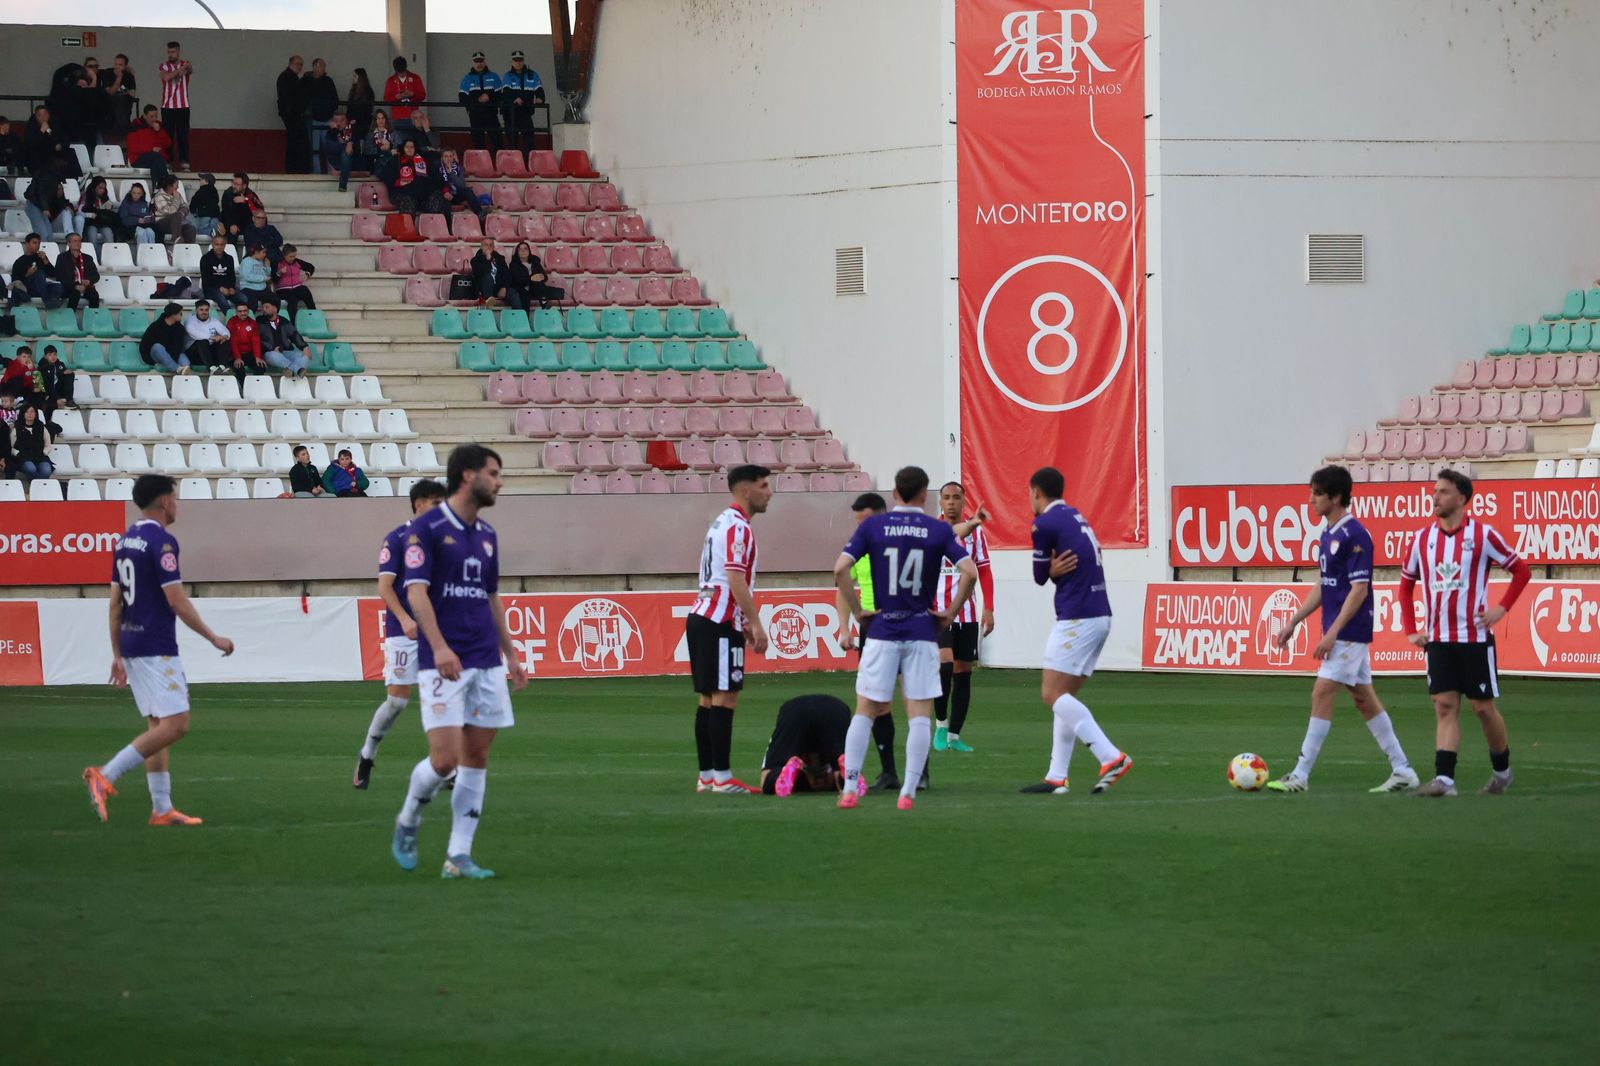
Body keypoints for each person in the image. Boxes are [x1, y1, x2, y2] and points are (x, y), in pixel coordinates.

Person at [390, 444, 529, 880]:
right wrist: (441, 646)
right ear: (468, 475)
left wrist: (511, 653)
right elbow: (415, 593)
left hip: (486, 659)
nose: (500, 481)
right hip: (443, 660)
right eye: (494, 472)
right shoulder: (427, 529)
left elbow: (491, 597)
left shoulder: (487, 534)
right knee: (445, 758)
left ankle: (458, 856)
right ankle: (409, 817)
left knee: (476, 757)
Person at [82, 474, 235, 826]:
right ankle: (104, 773)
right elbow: (176, 600)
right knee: (177, 724)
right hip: (155, 644)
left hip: (132, 643)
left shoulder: (124, 541)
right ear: (165, 501)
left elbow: (115, 604)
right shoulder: (162, 542)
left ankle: (162, 808)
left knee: (157, 725)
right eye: (175, 498)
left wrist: (117, 653)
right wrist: (214, 638)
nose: (177, 504)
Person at [1265, 466, 1418, 793]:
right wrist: (1294, 620)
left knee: (1322, 692)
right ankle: (1403, 769)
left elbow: (1359, 590)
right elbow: (1325, 585)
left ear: (1336, 497)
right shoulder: (1328, 535)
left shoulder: (1356, 535)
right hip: (1341, 629)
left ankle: (1301, 774)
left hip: (1351, 629)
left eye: (1317, 494)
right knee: (1364, 699)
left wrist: (1332, 632)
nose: (1311, 500)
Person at [833, 466, 977, 811]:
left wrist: (857, 613)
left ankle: (850, 788)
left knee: (865, 710)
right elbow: (969, 572)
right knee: (919, 715)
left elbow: (840, 570)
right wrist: (951, 612)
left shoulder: (873, 527)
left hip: (881, 631)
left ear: (894, 494)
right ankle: (909, 791)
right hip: (921, 633)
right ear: (925, 495)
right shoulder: (937, 529)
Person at [1400, 470, 1533, 797]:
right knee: (1444, 706)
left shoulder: (1483, 535)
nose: (1435, 497)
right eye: (1434, 491)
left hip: (1474, 639)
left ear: (1461, 497)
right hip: (1439, 640)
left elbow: (1521, 571)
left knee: (1483, 708)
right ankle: (1444, 780)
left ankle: (1502, 772)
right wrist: (1410, 630)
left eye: (1443, 492)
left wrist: (1502, 608)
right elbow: (1405, 588)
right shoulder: (1421, 539)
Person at [1019, 465, 1133, 796]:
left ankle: (1111, 756)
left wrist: (1051, 570)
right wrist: (1056, 571)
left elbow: (1040, 575)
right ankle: (1057, 776)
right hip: (1100, 614)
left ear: (1036, 492)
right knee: (1063, 697)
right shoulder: (1076, 516)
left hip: (1077, 617)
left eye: (1030, 494)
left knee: (1051, 694)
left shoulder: (1043, 523)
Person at [354, 478, 450, 789]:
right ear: (419, 503)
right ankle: (368, 754)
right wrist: (405, 619)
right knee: (397, 702)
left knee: (441, 696)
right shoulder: (397, 538)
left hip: (437, 630)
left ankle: (445, 767)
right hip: (403, 631)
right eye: (436, 503)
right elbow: (384, 586)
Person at [685, 464, 773, 795]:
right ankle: (722, 778)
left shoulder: (721, 523)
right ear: (745, 490)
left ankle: (707, 775)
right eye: (763, 486)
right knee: (725, 697)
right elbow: (735, 579)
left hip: (703, 615)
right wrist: (754, 622)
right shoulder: (739, 528)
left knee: (709, 699)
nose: (769, 492)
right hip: (718, 619)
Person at [834, 491, 903, 791]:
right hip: (872, 628)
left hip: (906, 625)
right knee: (878, 703)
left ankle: (919, 774)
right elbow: (843, 581)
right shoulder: (859, 546)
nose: (860, 528)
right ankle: (889, 773)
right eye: (858, 522)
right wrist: (844, 627)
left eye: (865, 521)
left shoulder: (901, 541)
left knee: (916, 700)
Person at [932, 481, 994, 754]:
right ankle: (941, 724)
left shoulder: (976, 535)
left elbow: (985, 571)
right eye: (947, 498)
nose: (952, 502)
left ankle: (955, 735)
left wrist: (988, 608)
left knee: (963, 672)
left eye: (956, 497)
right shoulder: (932, 532)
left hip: (967, 613)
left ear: (964, 500)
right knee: (944, 665)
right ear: (940, 502)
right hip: (939, 612)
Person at [760, 694, 854, 796]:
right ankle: (844, 772)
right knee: (843, 769)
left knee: (767, 778)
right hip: (835, 711)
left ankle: (783, 771)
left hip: (795, 711)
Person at [157, 41, 193, 170]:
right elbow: (166, 77)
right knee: (168, 135)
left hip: (183, 106)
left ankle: (184, 161)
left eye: (173, 52)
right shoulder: (164, 66)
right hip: (167, 106)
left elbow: (190, 69)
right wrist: (179, 70)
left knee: (183, 135)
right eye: (169, 52)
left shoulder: (185, 64)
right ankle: (168, 161)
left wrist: (184, 68)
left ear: (178, 52)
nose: (170, 54)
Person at [458, 51, 503, 152]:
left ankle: (500, 163)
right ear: (472, 63)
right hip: (475, 114)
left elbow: (500, 95)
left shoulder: (494, 76)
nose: (479, 63)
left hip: (491, 114)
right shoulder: (467, 79)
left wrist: (489, 97)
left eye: (481, 61)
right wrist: (477, 100)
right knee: (478, 141)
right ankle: (480, 164)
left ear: (485, 62)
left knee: (497, 140)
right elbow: (462, 98)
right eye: (476, 61)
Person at [384, 139, 441, 219]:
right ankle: (407, 229)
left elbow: (433, 175)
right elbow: (386, 176)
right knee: (407, 200)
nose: (409, 149)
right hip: (402, 192)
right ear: (403, 148)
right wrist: (398, 182)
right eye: (407, 147)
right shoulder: (395, 160)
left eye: (412, 147)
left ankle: (430, 227)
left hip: (421, 192)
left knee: (436, 195)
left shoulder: (423, 159)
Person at [256, 297, 312, 378]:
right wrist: (272, 348)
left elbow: (295, 335)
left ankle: (290, 371)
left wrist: (305, 347)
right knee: (273, 356)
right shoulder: (260, 321)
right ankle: (298, 370)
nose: (263, 309)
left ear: (275, 308)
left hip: (286, 352)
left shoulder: (284, 321)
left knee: (304, 356)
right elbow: (257, 340)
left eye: (267, 307)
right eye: (263, 307)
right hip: (270, 353)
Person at [501, 50, 544, 151]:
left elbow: (539, 89)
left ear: (523, 61)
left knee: (529, 138)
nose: (518, 62)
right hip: (511, 113)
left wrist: (540, 98)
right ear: (512, 62)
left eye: (520, 60)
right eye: (515, 60)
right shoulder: (508, 76)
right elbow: (506, 92)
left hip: (526, 112)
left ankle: (529, 161)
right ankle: (513, 163)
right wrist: (514, 99)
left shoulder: (533, 75)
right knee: (512, 139)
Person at [302, 58, 340, 171]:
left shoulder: (328, 81)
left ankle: (331, 172)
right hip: (313, 120)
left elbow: (335, 99)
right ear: (314, 67)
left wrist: (330, 112)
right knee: (314, 149)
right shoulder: (306, 82)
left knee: (329, 148)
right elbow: (303, 100)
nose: (323, 68)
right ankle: (316, 173)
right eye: (321, 66)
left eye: (324, 66)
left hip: (327, 119)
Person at [10, 234, 64, 307]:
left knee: (58, 286)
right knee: (39, 273)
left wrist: (46, 260)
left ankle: (52, 300)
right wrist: (27, 274)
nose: (37, 246)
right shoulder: (20, 261)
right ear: (27, 244)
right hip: (29, 288)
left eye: (39, 243)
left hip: (42, 287)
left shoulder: (41, 258)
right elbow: (15, 280)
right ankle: (48, 301)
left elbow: (54, 274)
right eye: (34, 243)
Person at [437, 148, 486, 228]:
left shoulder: (458, 168)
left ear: (453, 158)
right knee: (446, 205)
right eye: (446, 156)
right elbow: (438, 184)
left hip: (456, 194)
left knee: (467, 190)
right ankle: (448, 228)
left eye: (450, 156)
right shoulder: (438, 169)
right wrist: (445, 192)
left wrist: (451, 173)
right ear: (442, 158)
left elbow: (461, 185)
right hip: (444, 195)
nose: (448, 159)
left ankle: (479, 213)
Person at [508, 241, 565, 308]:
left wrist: (542, 277)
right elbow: (517, 280)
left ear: (529, 251)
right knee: (536, 283)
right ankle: (544, 302)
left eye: (525, 249)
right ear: (517, 252)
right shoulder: (514, 264)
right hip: (521, 288)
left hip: (535, 289)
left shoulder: (535, 262)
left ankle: (544, 302)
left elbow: (544, 276)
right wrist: (531, 278)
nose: (523, 251)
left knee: (537, 283)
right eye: (520, 249)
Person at [276, 56, 308, 173]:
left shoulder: (290, 77)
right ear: (290, 63)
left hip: (291, 113)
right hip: (292, 114)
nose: (299, 67)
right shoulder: (287, 78)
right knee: (297, 141)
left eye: (301, 64)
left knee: (295, 141)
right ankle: (295, 168)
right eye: (297, 64)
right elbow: (291, 98)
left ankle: (294, 168)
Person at [125, 107, 173, 184]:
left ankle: (157, 189)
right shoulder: (135, 126)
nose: (154, 119)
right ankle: (166, 184)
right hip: (138, 159)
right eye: (151, 116)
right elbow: (132, 147)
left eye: (156, 116)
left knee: (155, 164)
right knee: (156, 158)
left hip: (156, 159)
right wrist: (151, 149)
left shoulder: (158, 127)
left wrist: (159, 131)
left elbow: (168, 144)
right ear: (144, 116)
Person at [140, 302, 191, 373]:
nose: (181, 315)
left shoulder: (180, 329)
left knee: (186, 364)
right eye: (180, 313)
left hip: (172, 354)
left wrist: (172, 358)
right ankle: (177, 368)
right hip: (156, 355)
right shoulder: (155, 326)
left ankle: (179, 370)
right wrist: (149, 361)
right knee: (157, 347)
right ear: (173, 314)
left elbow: (178, 347)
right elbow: (144, 345)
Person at [24, 171, 77, 238]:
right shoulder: (48, 199)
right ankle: (70, 236)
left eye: (62, 189)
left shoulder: (61, 199)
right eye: (58, 189)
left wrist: (69, 208)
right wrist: (45, 208)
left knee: (67, 212)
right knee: (44, 233)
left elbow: (68, 204)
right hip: (49, 221)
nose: (60, 191)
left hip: (53, 224)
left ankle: (70, 234)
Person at [10, 403, 54, 484]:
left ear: (35, 414)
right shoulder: (17, 428)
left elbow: (48, 444)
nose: (30, 414)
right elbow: (11, 447)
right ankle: (37, 486)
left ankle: (36, 486)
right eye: (27, 412)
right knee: (31, 469)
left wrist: (44, 452)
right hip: (23, 457)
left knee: (46, 471)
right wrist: (18, 453)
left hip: (40, 456)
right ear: (23, 414)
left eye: (32, 412)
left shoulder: (42, 427)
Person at [226, 302, 268, 387]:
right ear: (236, 312)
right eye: (240, 311)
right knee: (239, 368)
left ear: (248, 311)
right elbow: (233, 341)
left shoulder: (252, 323)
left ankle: (255, 388)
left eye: (245, 311)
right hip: (235, 354)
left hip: (249, 354)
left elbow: (256, 341)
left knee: (260, 366)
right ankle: (246, 389)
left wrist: (257, 357)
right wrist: (237, 357)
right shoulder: (232, 322)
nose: (242, 313)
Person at [54, 233, 100, 310]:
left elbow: (96, 276)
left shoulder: (88, 258)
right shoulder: (62, 258)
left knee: (94, 295)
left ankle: (93, 319)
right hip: (70, 286)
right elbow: (59, 276)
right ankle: (70, 318)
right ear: (69, 243)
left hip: (85, 286)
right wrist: (74, 286)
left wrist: (89, 281)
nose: (78, 243)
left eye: (79, 241)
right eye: (75, 241)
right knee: (74, 294)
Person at [183, 299, 232, 370]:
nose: (204, 312)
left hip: (209, 353)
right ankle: (211, 368)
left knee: (225, 341)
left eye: (206, 310)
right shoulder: (190, 321)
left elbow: (225, 331)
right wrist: (214, 337)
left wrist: (224, 336)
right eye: (201, 310)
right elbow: (196, 334)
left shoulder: (213, 321)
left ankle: (221, 367)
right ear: (196, 310)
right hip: (194, 354)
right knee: (203, 342)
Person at [383, 57, 426, 137]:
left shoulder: (415, 78)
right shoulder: (390, 80)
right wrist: (396, 97)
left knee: (414, 141)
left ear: (406, 67)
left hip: (414, 117)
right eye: (399, 73)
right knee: (400, 142)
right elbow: (386, 98)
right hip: (398, 117)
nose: (402, 74)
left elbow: (422, 95)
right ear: (395, 70)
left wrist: (412, 95)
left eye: (403, 72)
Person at [99, 54, 138, 142]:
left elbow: (132, 93)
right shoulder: (108, 73)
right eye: (116, 64)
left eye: (120, 65)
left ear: (125, 66)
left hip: (124, 105)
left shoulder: (128, 74)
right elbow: (111, 92)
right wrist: (119, 77)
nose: (117, 67)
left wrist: (120, 91)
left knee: (122, 101)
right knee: (117, 100)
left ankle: (122, 136)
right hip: (109, 105)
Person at [272, 244, 316, 320]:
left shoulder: (297, 262)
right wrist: (279, 273)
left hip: (297, 287)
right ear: (284, 255)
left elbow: (311, 267)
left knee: (305, 291)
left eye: (294, 256)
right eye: (290, 256)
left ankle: (314, 314)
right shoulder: (278, 263)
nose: (293, 258)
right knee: (292, 299)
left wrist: (307, 274)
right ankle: (291, 323)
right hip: (283, 289)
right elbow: (273, 279)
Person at [151, 174, 197, 244]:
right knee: (176, 215)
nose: (178, 187)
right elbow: (169, 212)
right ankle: (176, 239)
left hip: (177, 223)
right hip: (162, 223)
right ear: (169, 186)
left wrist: (181, 212)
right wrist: (176, 201)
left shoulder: (176, 194)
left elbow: (185, 206)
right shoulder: (159, 197)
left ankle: (187, 250)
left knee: (190, 229)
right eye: (176, 185)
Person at [320, 112, 357, 192]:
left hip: (353, 162)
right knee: (343, 150)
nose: (339, 123)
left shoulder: (351, 129)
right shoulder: (331, 132)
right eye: (336, 121)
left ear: (346, 120)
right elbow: (330, 148)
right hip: (337, 161)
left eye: (341, 120)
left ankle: (342, 186)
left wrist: (347, 145)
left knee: (345, 154)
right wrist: (346, 144)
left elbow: (352, 150)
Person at [220, 173, 263, 242]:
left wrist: (246, 201)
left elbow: (260, 211)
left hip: (247, 224)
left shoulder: (251, 195)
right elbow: (226, 212)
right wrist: (231, 224)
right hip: (232, 223)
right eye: (233, 183)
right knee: (230, 232)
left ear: (244, 186)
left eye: (237, 184)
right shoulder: (228, 193)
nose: (233, 186)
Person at [199, 233, 237, 307]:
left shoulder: (229, 258)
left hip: (227, 289)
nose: (219, 247)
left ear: (225, 245)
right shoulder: (205, 258)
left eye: (222, 244)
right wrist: (220, 288)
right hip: (211, 289)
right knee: (223, 301)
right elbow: (206, 279)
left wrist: (232, 287)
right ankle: (230, 318)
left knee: (243, 299)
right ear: (212, 245)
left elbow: (231, 276)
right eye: (217, 244)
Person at [37, 344, 78, 412]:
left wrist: (65, 373)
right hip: (48, 393)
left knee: (70, 374)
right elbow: (46, 385)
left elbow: (63, 378)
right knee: (47, 381)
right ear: (45, 356)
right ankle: (57, 400)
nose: (53, 357)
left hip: (59, 390)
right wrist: (56, 399)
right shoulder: (42, 368)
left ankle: (68, 399)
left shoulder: (60, 364)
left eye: (55, 354)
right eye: (50, 355)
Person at [470, 237, 511, 307]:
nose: (488, 247)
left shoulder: (500, 258)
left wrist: (504, 287)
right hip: (483, 289)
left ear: (493, 247)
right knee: (488, 277)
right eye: (486, 245)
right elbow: (479, 274)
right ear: (481, 247)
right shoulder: (475, 260)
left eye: (491, 245)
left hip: (498, 288)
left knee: (514, 294)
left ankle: (521, 317)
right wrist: (488, 259)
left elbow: (507, 275)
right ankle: (490, 301)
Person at [80, 177, 120, 245]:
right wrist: (90, 215)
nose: (102, 190)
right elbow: (79, 213)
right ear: (94, 187)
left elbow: (113, 205)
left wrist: (111, 206)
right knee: (92, 236)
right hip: (90, 223)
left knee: (109, 234)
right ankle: (94, 255)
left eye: (103, 188)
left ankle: (109, 254)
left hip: (102, 223)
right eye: (100, 188)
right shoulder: (85, 197)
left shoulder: (104, 198)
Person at [236, 244, 272, 309]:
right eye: (263, 252)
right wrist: (264, 278)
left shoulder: (261, 261)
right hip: (249, 288)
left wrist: (267, 266)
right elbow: (247, 276)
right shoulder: (246, 261)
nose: (265, 254)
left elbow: (267, 275)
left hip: (262, 288)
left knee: (274, 300)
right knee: (253, 304)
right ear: (256, 252)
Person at [362, 109, 395, 177]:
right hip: (375, 160)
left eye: (383, 118)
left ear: (386, 119)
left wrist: (390, 147)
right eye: (378, 118)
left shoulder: (392, 133)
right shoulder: (370, 134)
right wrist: (380, 149)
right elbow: (367, 150)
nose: (381, 121)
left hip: (390, 159)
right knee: (381, 161)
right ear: (375, 120)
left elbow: (396, 148)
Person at [346, 68, 377, 143]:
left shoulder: (368, 92)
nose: (353, 78)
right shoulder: (353, 91)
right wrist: (349, 119)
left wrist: (356, 120)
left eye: (355, 76)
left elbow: (367, 110)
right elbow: (349, 107)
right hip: (352, 123)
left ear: (360, 78)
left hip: (362, 124)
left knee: (358, 142)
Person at [188, 172, 221, 237]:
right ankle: (214, 232)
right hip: (215, 215)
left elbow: (194, 201)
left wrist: (193, 210)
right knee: (213, 230)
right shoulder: (214, 191)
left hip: (205, 215)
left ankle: (211, 232)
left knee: (201, 230)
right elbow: (216, 201)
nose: (199, 181)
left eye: (201, 179)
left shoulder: (201, 190)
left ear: (206, 181)